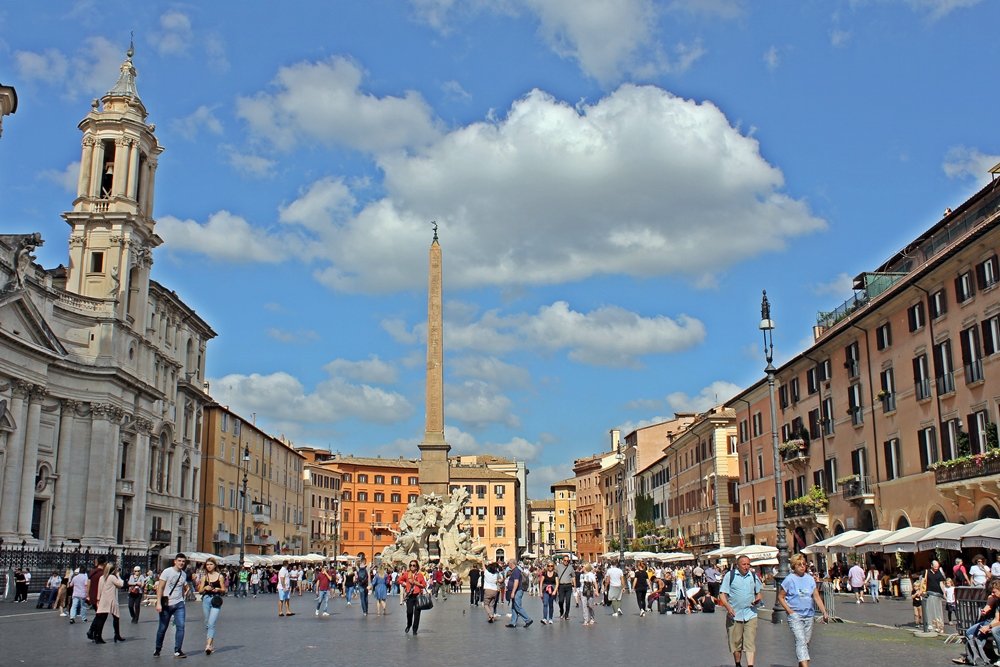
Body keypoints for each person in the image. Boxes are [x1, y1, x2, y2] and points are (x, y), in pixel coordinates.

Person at [778, 554, 829, 667]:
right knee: (801, 641)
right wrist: (789, 611)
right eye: (799, 565)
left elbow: (816, 596)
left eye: (804, 564)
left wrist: (824, 611)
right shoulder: (789, 579)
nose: (802, 567)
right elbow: (781, 597)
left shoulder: (810, 579)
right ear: (794, 566)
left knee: (806, 643)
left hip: (809, 615)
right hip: (795, 615)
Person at [719, 555, 763, 667]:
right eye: (744, 564)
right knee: (736, 643)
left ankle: (750, 665)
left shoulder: (753, 576)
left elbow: (758, 592)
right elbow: (722, 594)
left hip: (750, 613)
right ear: (738, 565)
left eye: (748, 564)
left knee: (750, 642)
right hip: (735, 614)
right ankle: (738, 664)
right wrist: (728, 607)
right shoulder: (730, 575)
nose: (746, 566)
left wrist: (758, 598)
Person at [952, 579, 1000, 665]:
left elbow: (992, 612)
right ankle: (979, 654)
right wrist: (984, 612)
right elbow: (993, 614)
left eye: (993, 591)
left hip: (991, 622)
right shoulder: (995, 598)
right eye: (990, 591)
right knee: (969, 632)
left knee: (986, 632)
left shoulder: (993, 598)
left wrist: (989, 626)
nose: (992, 593)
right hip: (991, 621)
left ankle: (975, 656)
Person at [154, 553, 190, 659]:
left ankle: (178, 650)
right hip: (166, 604)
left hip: (179, 604)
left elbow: (184, 586)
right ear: (175, 561)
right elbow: (160, 587)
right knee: (162, 628)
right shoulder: (167, 572)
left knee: (181, 626)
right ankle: (158, 649)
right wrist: (159, 602)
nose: (181, 563)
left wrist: (185, 593)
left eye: (183, 561)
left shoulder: (183, 574)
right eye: (179, 561)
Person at [90, 561, 125, 644]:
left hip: (103, 600)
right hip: (111, 600)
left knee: (101, 619)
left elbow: (99, 590)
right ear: (113, 570)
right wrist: (118, 575)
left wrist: (98, 600)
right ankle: (117, 634)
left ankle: (98, 636)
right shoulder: (112, 577)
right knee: (116, 617)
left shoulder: (102, 578)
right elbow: (121, 584)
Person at [198, 557, 226, 655]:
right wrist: (205, 587)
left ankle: (208, 645)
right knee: (207, 622)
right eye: (207, 564)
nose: (209, 566)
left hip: (216, 600)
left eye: (211, 564)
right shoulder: (204, 577)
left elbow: (224, 590)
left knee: (211, 623)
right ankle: (211, 644)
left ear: (215, 565)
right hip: (206, 599)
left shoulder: (220, 576)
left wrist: (218, 589)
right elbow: (200, 591)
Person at [399, 560, 427, 635]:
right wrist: (404, 583)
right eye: (411, 565)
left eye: (414, 565)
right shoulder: (407, 574)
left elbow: (424, 585)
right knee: (409, 612)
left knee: (417, 614)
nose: (412, 567)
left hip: (418, 596)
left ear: (417, 566)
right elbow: (399, 580)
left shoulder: (420, 575)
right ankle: (409, 624)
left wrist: (415, 583)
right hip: (410, 596)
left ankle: (415, 629)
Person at [506, 560, 533, 628]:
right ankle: (513, 623)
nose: (508, 564)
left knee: (517, 606)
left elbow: (516, 581)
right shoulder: (514, 571)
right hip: (516, 590)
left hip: (517, 591)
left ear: (512, 564)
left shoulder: (516, 571)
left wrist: (513, 592)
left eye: (508, 563)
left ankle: (528, 620)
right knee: (514, 607)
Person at [555, 555, 575, 620]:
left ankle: (566, 614)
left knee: (568, 601)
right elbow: (555, 576)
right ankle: (561, 611)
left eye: (567, 560)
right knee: (561, 601)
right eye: (565, 560)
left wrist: (575, 586)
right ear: (562, 560)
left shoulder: (570, 567)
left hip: (568, 586)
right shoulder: (558, 567)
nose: (566, 562)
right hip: (561, 586)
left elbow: (573, 576)